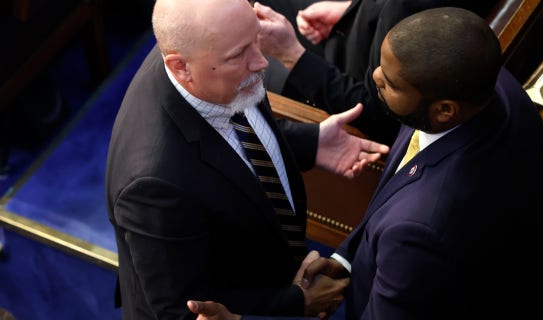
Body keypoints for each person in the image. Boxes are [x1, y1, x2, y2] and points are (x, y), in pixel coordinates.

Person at [188, 6, 543, 319]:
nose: (376, 78)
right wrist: (346, 261)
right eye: (382, 65)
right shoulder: (493, 87)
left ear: (444, 110)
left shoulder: (420, 226)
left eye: (391, 83)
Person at [105, 0, 389, 318]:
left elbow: (237, 134)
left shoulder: (215, 58)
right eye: (239, 55)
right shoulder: (152, 184)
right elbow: (182, 310)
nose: (261, 61)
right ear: (180, 67)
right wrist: (296, 302)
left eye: (256, 39)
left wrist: (311, 142)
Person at [255, 0, 498, 145]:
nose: (377, 76)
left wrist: (291, 55)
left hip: (341, 88)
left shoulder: (412, 13)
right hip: (351, 36)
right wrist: (354, 11)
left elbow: (376, 110)